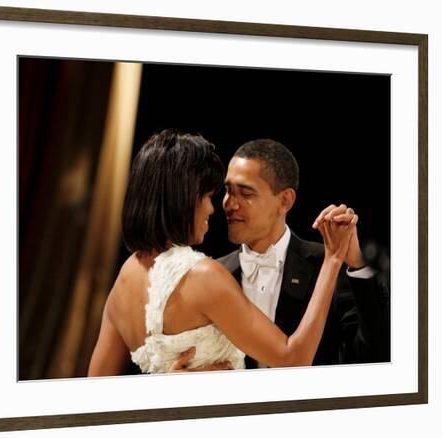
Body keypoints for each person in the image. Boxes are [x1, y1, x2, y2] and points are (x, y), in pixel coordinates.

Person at [88, 129, 359, 376]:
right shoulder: (204, 275)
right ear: (183, 198)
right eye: (208, 196)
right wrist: (333, 258)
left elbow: (97, 392)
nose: (214, 208)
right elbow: (294, 360)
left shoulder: (125, 276)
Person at [174, 138, 389, 370]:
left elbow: (374, 353)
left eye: (245, 193)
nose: (229, 204)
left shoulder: (327, 264)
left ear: (285, 200)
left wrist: (357, 264)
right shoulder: (211, 274)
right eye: (228, 191)